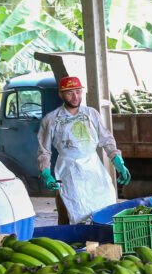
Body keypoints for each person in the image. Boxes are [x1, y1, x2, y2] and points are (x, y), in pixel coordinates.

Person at [37, 76, 131, 224]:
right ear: (61, 94)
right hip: (68, 170)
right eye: (70, 93)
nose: (75, 97)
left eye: (78, 92)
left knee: (105, 205)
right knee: (71, 209)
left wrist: (117, 161)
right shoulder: (51, 119)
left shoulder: (91, 114)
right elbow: (44, 151)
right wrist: (46, 173)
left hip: (93, 168)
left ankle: (101, 240)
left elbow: (106, 139)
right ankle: (72, 243)